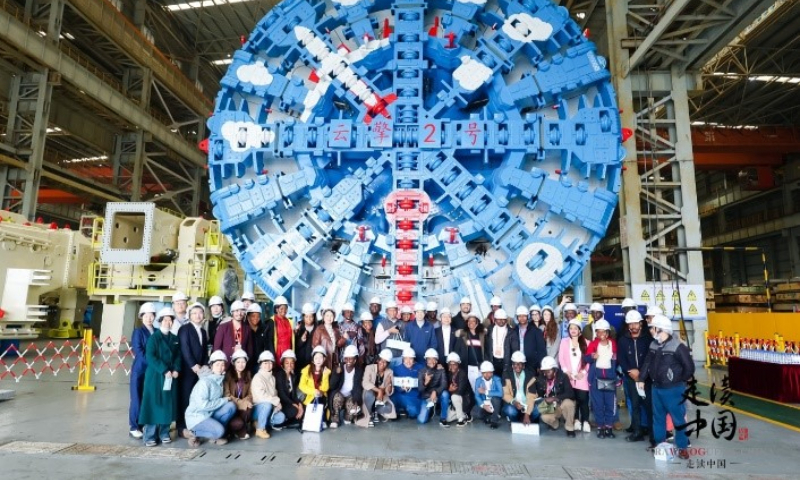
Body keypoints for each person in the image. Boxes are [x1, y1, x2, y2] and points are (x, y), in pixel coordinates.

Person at [638, 315, 695, 460]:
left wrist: (678, 380)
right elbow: (646, 363)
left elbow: (689, 367)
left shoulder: (678, 346)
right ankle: (660, 445)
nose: (650, 330)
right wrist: (641, 378)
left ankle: (682, 447)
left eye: (652, 328)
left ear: (660, 329)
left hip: (674, 390)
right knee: (658, 418)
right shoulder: (654, 345)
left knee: (678, 419)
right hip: (656, 388)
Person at [138, 312, 181, 446]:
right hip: (155, 376)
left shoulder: (174, 338)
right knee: (153, 405)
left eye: (170, 320)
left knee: (167, 405)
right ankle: (149, 435)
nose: (167, 323)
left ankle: (164, 432)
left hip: (170, 377)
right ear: (160, 321)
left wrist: (176, 369)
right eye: (165, 320)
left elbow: (178, 356)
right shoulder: (154, 338)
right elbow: (150, 356)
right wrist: (164, 369)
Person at [184, 350, 237, 447]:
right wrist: (223, 400)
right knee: (220, 431)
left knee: (231, 406)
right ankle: (192, 432)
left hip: (209, 414)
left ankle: (214, 435)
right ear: (211, 366)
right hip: (197, 417)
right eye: (217, 365)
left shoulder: (220, 381)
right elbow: (203, 405)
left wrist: (225, 401)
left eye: (222, 365)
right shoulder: (204, 383)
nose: (220, 368)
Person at [618, 309, 653, 443]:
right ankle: (637, 431)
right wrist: (630, 371)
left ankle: (652, 432)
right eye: (630, 324)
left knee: (649, 405)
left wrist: (642, 374)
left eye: (635, 324)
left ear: (641, 324)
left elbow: (650, 357)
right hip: (631, 378)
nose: (633, 327)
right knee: (635, 405)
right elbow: (621, 358)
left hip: (646, 378)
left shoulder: (648, 339)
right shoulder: (623, 340)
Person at [177, 302, 209, 435]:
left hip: (200, 371)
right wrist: (193, 365)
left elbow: (205, 350)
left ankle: (194, 423)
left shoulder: (202, 330)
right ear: (189, 315)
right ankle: (182, 427)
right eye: (194, 313)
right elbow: (185, 348)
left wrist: (205, 365)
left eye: (200, 313)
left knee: (196, 398)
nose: (197, 315)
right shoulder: (185, 329)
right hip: (187, 370)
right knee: (185, 397)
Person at [585, 319, 618, 439]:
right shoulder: (593, 344)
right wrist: (592, 356)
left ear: (608, 333)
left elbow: (615, 360)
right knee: (598, 405)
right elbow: (586, 359)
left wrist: (616, 376)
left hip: (610, 379)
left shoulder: (613, 343)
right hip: (595, 379)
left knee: (610, 404)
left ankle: (609, 427)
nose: (602, 334)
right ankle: (600, 428)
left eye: (604, 332)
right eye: (599, 332)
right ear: (596, 333)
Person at [558, 318, 591, 433]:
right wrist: (566, 371)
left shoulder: (587, 342)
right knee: (573, 399)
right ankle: (576, 420)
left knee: (583, 399)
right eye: (571, 328)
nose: (573, 330)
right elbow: (561, 358)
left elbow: (588, 360)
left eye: (575, 328)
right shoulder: (564, 341)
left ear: (579, 330)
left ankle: (585, 421)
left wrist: (583, 373)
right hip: (569, 376)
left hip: (582, 376)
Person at [530, 356, 576, 437]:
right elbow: (540, 395)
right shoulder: (541, 378)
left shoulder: (563, 376)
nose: (546, 374)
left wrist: (555, 398)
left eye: (549, 371)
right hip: (552, 406)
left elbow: (570, 393)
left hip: (562, 403)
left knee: (569, 403)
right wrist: (544, 399)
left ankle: (569, 428)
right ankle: (555, 424)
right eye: (544, 371)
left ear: (554, 369)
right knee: (543, 415)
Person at [129, 302, 156, 439]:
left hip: (152, 372)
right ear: (141, 317)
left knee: (148, 398)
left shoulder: (157, 331)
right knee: (137, 398)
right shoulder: (138, 332)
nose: (149, 318)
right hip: (140, 370)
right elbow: (139, 351)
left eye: (151, 315)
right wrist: (154, 363)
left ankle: (144, 423)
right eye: (146, 315)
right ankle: (134, 426)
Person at [251, 350, 285, 439]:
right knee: (266, 404)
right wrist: (276, 402)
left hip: (269, 407)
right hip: (257, 408)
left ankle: (258, 422)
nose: (268, 365)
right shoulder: (257, 377)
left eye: (270, 363)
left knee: (281, 417)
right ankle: (260, 429)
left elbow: (274, 393)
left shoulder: (272, 378)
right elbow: (261, 396)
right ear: (260, 364)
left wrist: (276, 405)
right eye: (265, 363)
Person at [359, 349, 397, 427]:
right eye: (381, 360)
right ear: (378, 360)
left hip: (382, 397)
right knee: (369, 394)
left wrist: (389, 384)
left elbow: (389, 392)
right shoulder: (369, 368)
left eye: (385, 362)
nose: (382, 363)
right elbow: (365, 383)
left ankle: (376, 411)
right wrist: (379, 390)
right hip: (370, 394)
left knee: (391, 411)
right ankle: (369, 415)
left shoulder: (390, 372)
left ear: (388, 364)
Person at [329, 345, 364, 428]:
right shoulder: (339, 368)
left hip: (350, 396)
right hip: (339, 394)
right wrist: (337, 374)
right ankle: (335, 419)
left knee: (349, 418)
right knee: (337, 397)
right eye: (346, 358)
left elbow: (358, 388)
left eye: (350, 358)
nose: (348, 361)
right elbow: (332, 386)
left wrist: (356, 402)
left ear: (355, 360)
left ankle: (347, 415)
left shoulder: (359, 371)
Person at [223, 349, 253, 440]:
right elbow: (227, 395)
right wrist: (241, 402)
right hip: (232, 407)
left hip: (243, 408)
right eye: (238, 362)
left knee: (249, 407)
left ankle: (241, 429)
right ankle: (236, 429)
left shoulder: (248, 374)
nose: (241, 364)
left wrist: (246, 401)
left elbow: (251, 393)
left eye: (243, 362)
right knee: (238, 423)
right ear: (234, 363)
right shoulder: (228, 375)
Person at [299, 346, 332, 427]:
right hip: (309, 396)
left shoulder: (326, 371)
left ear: (324, 359)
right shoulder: (307, 370)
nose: (318, 360)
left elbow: (325, 388)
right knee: (311, 405)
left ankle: (322, 420)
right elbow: (301, 385)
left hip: (321, 396)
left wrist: (324, 376)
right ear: (313, 359)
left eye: (321, 358)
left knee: (320, 399)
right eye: (316, 358)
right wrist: (313, 391)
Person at [502, 351, 536, 423]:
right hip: (514, 404)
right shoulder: (506, 374)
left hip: (527, 404)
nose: (517, 366)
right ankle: (515, 422)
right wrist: (514, 402)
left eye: (520, 364)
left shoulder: (530, 375)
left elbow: (531, 396)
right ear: (512, 365)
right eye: (514, 364)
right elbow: (505, 393)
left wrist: (527, 414)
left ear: (523, 365)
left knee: (540, 409)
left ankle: (527, 419)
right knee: (509, 410)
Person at [274, 349, 304, 428]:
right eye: (287, 363)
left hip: (290, 402)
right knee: (294, 410)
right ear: (282, 364)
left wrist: (300, 404)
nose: (289, 365)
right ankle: (286, 422)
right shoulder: (279, 375)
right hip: (282, 403)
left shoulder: (293, 376)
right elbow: (282, 394)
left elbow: (294, 395)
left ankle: (292, 421)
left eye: (292, 363)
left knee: (303, 408)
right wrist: (294, 404)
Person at [416, 348, 447, 425]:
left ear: (437, 360)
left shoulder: (441, 370)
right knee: (422, 420)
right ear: (426, 360)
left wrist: (435, 391)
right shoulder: (422, 371)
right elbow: (420, 389)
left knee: (445, 394)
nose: (432, 361)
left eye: (434, 359)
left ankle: (443, 418)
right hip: (427, 397)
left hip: (437, 395)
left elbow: (444, 384)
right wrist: (426, 382)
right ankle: (429, 410)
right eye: (429, 359)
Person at [391, 348, 422, 418]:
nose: (408, 361)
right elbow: (393, 384)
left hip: (413, 397)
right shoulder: (396, 369)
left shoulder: (420, 368)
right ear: (403, 359)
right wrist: (401, 389)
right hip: (399, 395)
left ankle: (406, 410)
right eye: (406, 359)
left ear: (414, 359)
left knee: (414, 413)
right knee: (392, 400)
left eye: (411, 359)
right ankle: (399, 409)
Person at [443, 352, 472, 426]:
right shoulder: (449, 374)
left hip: (465, 400)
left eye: (454, 364)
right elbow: (446, 388)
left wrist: (451, 391)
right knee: (448, 418)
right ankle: (465, 415)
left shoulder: (462, 373)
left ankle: (462, 419)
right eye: (450, 364)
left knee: (454, 396)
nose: (452, 366)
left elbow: (460, 391)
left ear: (458, 364)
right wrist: (449, 390)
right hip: (456, 402)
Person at [312, 307, 344, 371]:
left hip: (335, 361)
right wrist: (319, 359)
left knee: (334, 379)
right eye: (327, 315)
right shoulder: (319, 329)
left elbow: (338, 345)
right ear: (323, 317)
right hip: (324, 360)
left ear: (334, 317)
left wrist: (344, 338)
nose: (329, 318)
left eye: (331, 316)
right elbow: (315, 346)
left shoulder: (336, 330)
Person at [375, 300, 404, 367]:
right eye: (390, 310)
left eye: (394, 310)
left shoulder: (402, 324)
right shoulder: (382, 323)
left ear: (397, 311)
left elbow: (405, 339)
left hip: (399, 357)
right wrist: (389, 331)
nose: (392, 312)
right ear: (386, 311)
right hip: (386, 358)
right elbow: (377, 341)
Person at [474, 360, 502, 429]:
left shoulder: (497, 379)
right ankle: (489, 417)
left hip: (494, 402)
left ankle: (494, 421)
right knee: (474, 412)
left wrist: (486, 392)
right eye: (484, 373)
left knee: (496, 399)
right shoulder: (478, 380)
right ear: (481, 373)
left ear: (492, 373)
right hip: (485, 402)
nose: (486, 375)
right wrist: (483, 406)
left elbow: (500, 393)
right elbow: (477, 395)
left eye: (489, 373)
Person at [461, 314, 486, 390]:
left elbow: (487, 350)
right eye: (469, 320)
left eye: (473, 321)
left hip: (481, 367)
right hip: (469, 367)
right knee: (474, 389)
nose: (471, 322)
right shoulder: (463, 335)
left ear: (477, 322)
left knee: (482, 389)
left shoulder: (482, 335)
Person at [485, 308, 511, 377]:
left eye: (503, 319)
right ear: (495, 320)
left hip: (506, 362)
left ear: (506, 320)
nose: (501, 321)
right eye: (499, 319)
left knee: (505, 382)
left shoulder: (511, 332)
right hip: (493, 360)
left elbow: (515, 349)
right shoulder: (490, 329)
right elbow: (486, 346)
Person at [294, 303, 318, 372]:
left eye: (311, 316)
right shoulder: (298, 328)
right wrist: (301, 340)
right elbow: (294, 346)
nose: (309, 319)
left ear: (314, 317)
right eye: (306, 317)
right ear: (303, 317)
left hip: (313, 363)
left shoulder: (318, 328)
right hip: (300, 363)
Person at [271, 296, 294, 362]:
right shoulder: (272, 321)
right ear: (276, 309)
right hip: (277, 352)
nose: (284, 311)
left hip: (288, 350)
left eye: (286, 308)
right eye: (281, 308)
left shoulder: (290, 322)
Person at [247, 303, 269, 370]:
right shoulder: (245, 329)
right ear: (248, 316)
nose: (256, 318)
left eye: (258, 316)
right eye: (253, 316)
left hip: (260, 362)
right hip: (248, 363)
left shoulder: (264, 328)